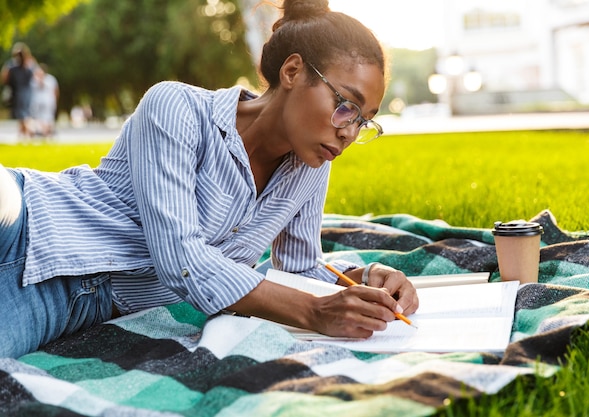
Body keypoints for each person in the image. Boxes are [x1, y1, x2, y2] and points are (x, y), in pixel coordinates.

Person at [0, 0, 419, 359]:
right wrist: (313, 311)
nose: (349, 132)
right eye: (346, 105)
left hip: (72, 301)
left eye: (364, 121)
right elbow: (183, 260)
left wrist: (364, 279)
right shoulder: (176, 107)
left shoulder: (310, 166)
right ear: (292, 72)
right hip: (30, 221)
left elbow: (298, 265)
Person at [1, 43, 36, 139]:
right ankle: (23, 134)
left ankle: (30, 130)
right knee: (24, 114)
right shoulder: (29, 65)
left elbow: (4, 77)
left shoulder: (12, 65)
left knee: (23, 114)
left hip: (19, 93)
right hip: (27, 92)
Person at [30, 63, 59, 138]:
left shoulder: (50, 79)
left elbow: (55, 91)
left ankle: (48, 132)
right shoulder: (34, 80)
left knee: (48, 118)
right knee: (38, 118)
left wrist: (55, 100)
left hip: (48, 102)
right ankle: (42, 132)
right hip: (37, 102)